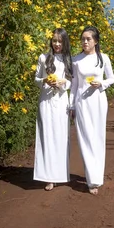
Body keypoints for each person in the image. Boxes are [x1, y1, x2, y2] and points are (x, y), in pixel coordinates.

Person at [70, 26, 114, 195]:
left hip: (98, 101)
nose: (85, 42)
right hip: (82, 102)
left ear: (96, 41)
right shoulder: (76, 60)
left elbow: (111, 78)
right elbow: (74, 86)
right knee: (85, 139)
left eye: (88, 39)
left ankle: (97, 176)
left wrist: (101, 84)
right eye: (83, 39)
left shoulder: (103, 58)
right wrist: (71, 105)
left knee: (98, 137)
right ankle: (92, 179)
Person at [33, 28, 73, 191]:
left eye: (60, 41)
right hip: (46, 101)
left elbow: (72, 81)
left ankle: (59, 174)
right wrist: (45, 81)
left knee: (60, 137)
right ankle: (48, 177)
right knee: (46, 137)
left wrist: (63, 83)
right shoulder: (43, 58)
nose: (57, 44)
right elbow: (36, 79)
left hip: (61, 100)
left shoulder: (68, 59)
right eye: (54, 41)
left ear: (64, 42)